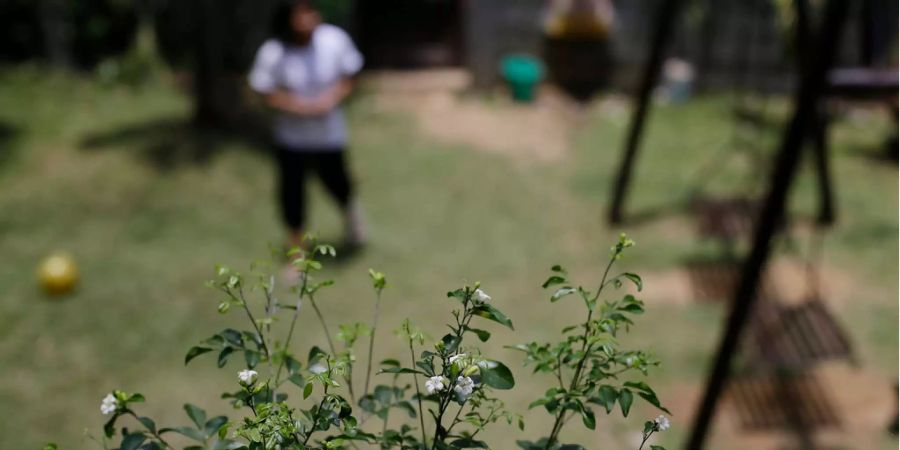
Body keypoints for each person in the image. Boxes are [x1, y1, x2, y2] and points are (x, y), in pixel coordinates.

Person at [248, 0, 366, 252]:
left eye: (310, 12)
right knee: (293, 197)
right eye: (299, 15)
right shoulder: (274, 51)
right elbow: (263, 89)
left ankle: (353, 221)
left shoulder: (334, 40)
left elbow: (351, 75)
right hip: (291, 139)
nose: (307, 21)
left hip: (328, 135)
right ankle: (296, 253)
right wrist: (294, 105)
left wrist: (331, 99)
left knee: (339, 185)